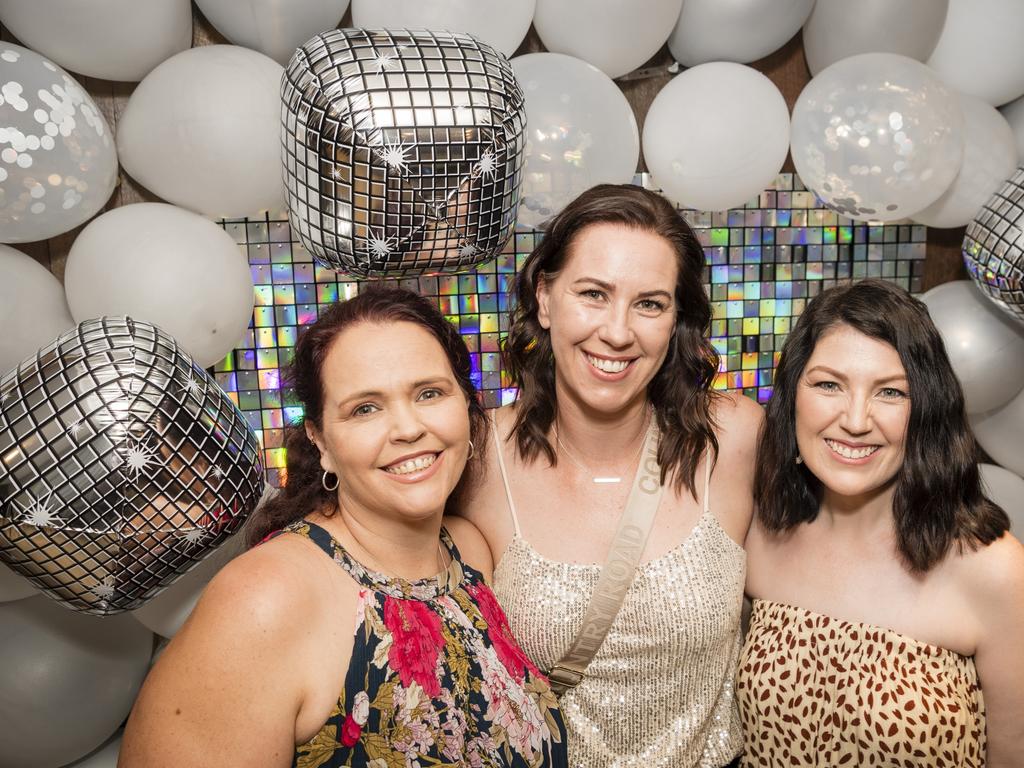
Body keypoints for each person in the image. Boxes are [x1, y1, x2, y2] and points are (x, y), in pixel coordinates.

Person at [120, 287, 567, 768]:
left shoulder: (469, 553)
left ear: (466, 403)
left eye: (430, 393)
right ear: (321, 440)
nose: (407, 428)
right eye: (365, 408)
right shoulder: (265, 600)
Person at [458, 183, 763, 767]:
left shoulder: (734, 438)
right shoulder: (475, 455)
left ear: (676, 319)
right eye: (593, 294)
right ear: (545, 298)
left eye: (649, 303)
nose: (618, 333)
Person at [741, 279, 1024, 767]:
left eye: (890, 392)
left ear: (926, 411)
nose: (855, 419)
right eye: (829, 384)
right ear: (792, 396)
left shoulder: (993, 570)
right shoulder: (758, 535)